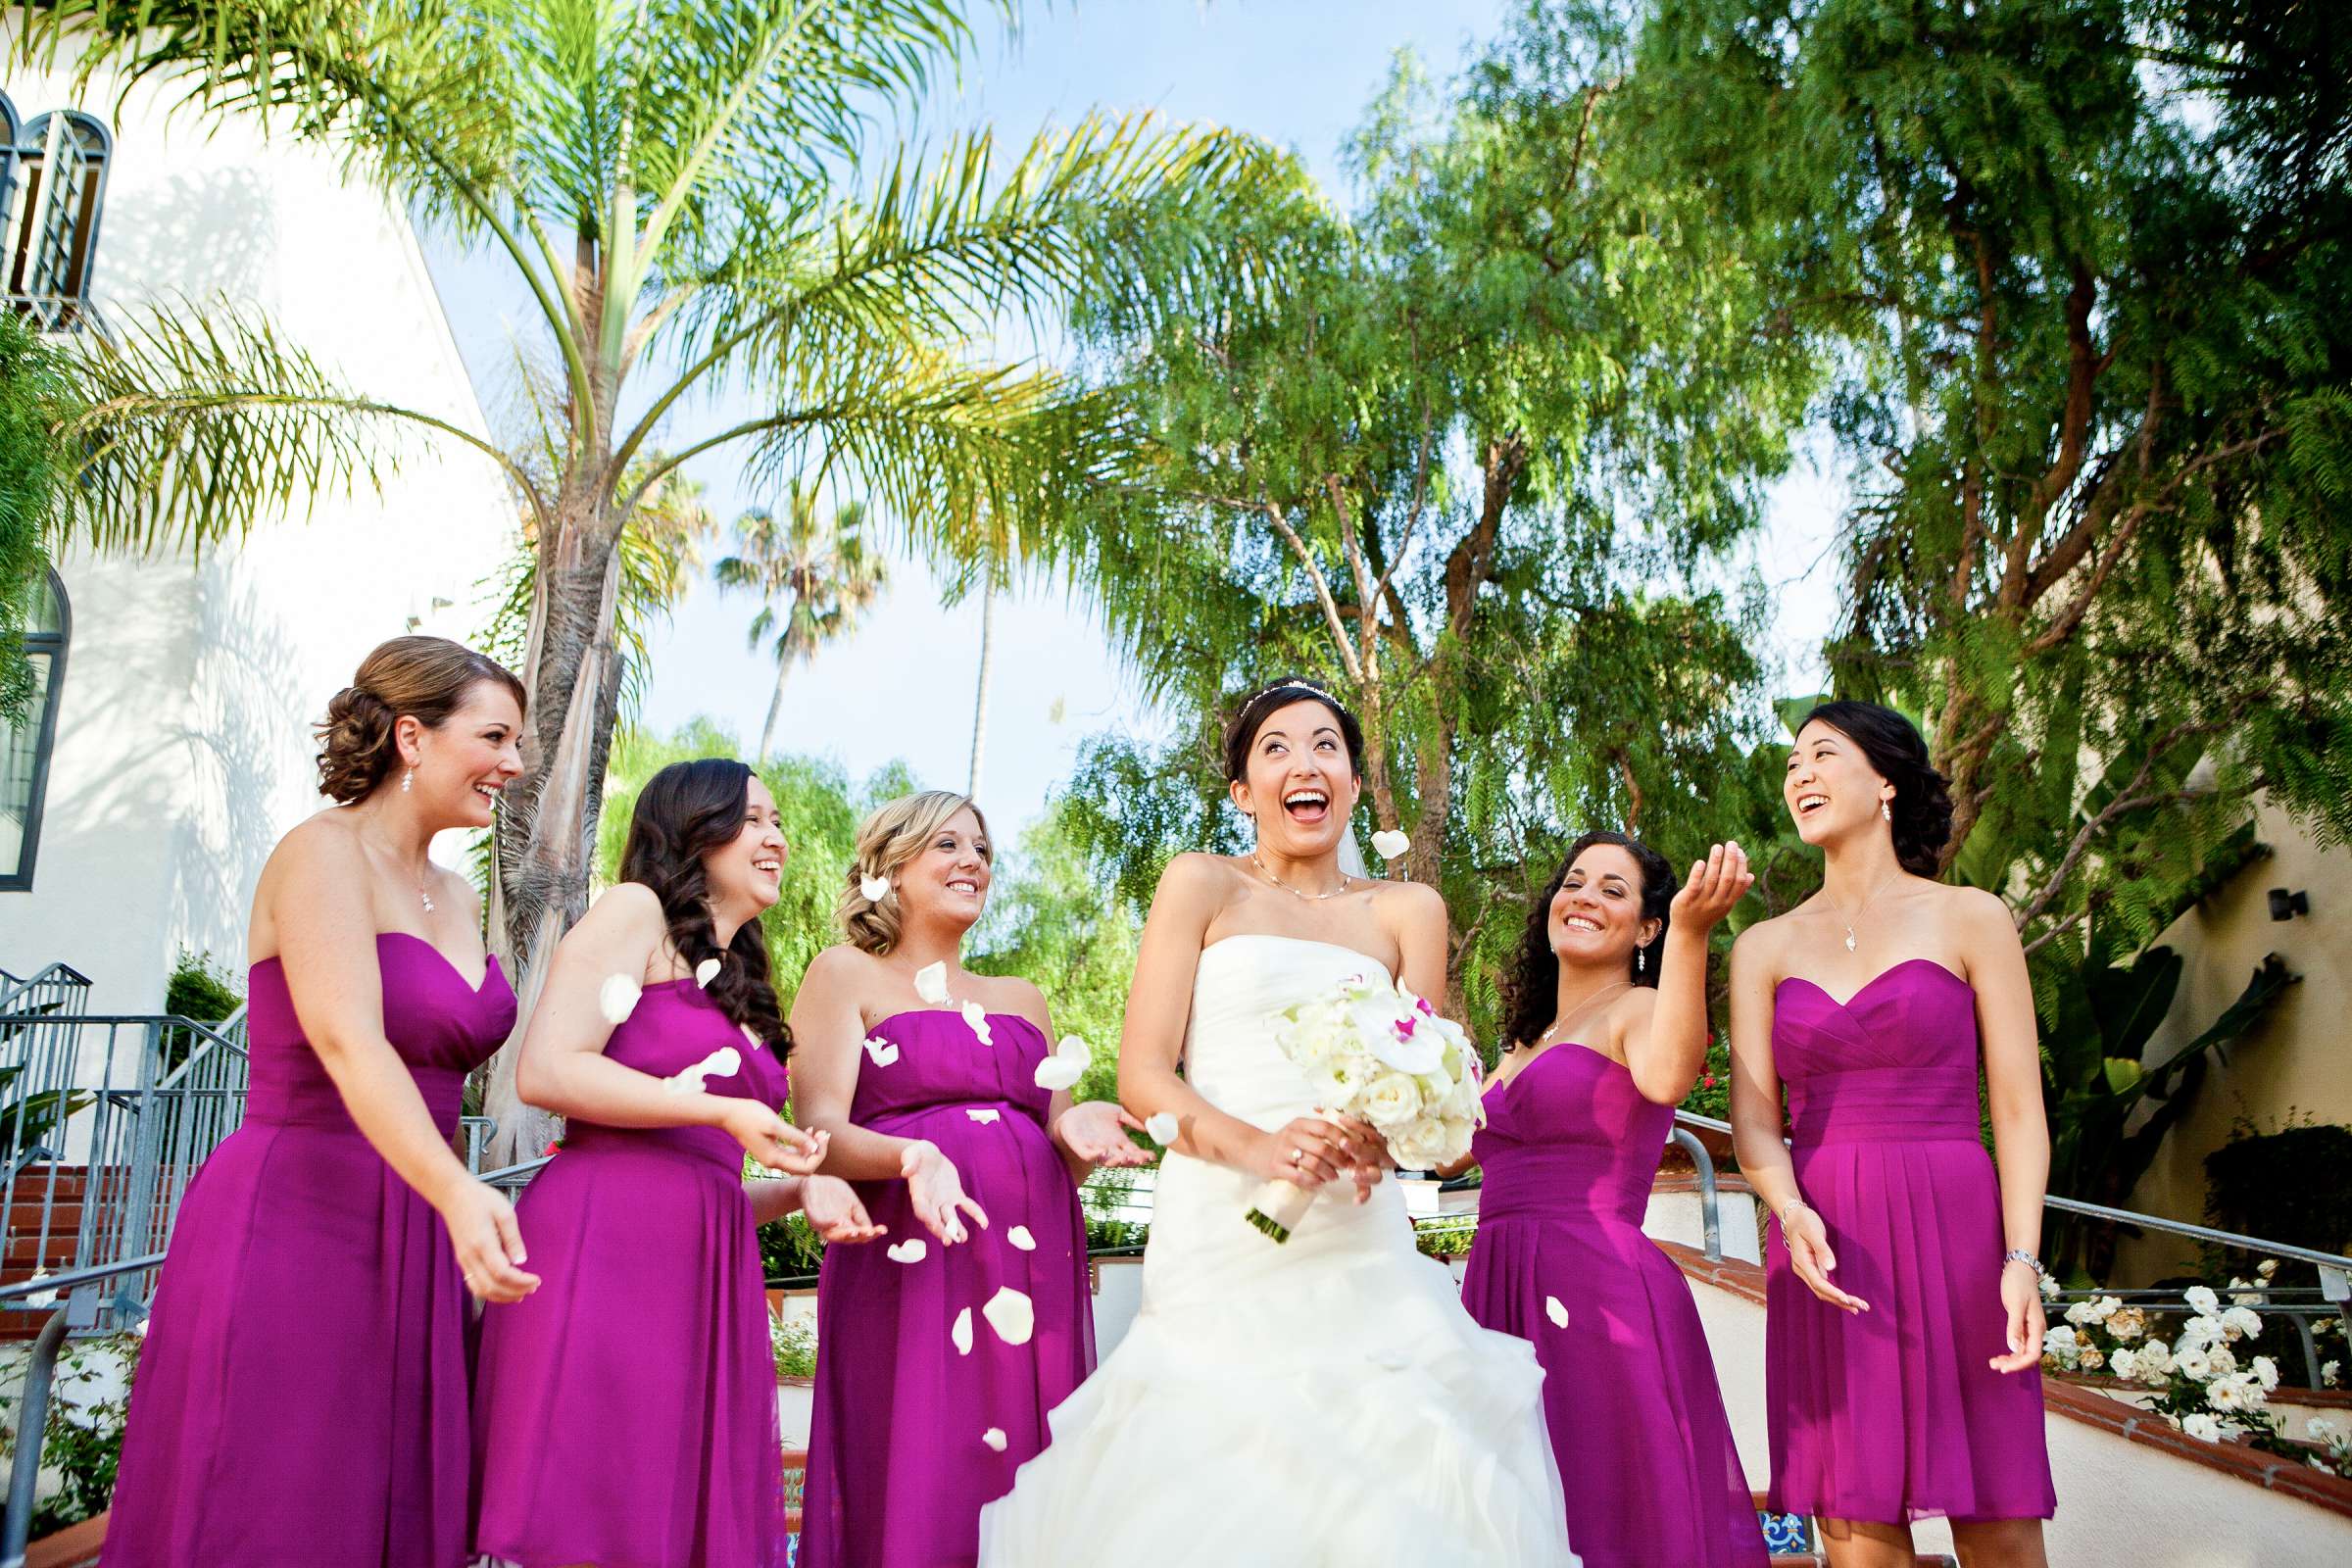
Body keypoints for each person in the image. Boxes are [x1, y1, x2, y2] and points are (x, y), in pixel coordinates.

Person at [977, 676, 1577, 1566]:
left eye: (1327, 745)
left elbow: (1426, 1083)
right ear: (1242, 790)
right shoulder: (1201, 885)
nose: (1306, 763)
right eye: (1278, 748)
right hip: (1221, 1217)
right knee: (1218, 1461)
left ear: (1354, 781)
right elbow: (1145, 1075)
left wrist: (1388, 1137)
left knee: (1387, 1465)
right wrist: (1262, 1148)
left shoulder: (1406, 910)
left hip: (1356, 1230)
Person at [108, 636, 539, 1567]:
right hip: (300, 1213)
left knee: (390, 1502)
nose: (514, 763)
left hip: (419, 1224)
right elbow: (348, 1041)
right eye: (496, 736)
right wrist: (462, 1191)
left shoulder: (462, 898)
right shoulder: (319, 855)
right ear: (413, 738)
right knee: (282, 1499)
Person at [471, 758, 872, 1568]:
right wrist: (723, 1107)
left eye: (777, 822)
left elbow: (707, 1178)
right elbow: (546, 1070)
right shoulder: (635, 912)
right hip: (601, 1242)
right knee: (587, 1502)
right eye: (753, 819)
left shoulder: (744, 986)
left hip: (701, 1268)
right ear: (695, 827)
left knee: (666, 1518)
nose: (777, 838)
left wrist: (800, 1186)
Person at [1729, 700, 2056, 1565]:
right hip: (1826, 1242)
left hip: (1958, 1235)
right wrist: (1788, 1210)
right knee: (1857, 1527)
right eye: (1791, 762)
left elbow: (2019, 1112)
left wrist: (2021, 1261)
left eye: (1822, 755)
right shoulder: (1761, 945)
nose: (1799, 774)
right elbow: (1755, 1123)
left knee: (2001, 1522)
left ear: (1885, 782)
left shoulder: (1973, 916)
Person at [793, 790, 1151, 1568]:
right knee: (918, 1453)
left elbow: (1056, 1145)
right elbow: (819, 1134)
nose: (973, 863)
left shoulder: (1023, 1000)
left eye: (982, 851)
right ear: (890, 867)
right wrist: (910, 1158)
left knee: (1028, 1460)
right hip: (908, 1260)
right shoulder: (844, 974)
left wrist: (1080, 1130)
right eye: (948, 846)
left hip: (1029, 1264)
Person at [1456, 830, 1765, 1568]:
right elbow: (1441, 1150)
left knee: (1596, 1505)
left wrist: (1693, 935)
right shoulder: (1519, 1047)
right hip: (1496, 1286)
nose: (1585, 897)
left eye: (1613, 890)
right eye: (1574, 881)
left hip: (1594, 1289)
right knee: (1514, 1510)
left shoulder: (1639, 1010)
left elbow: (1666, 1078)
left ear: (1647, 928)